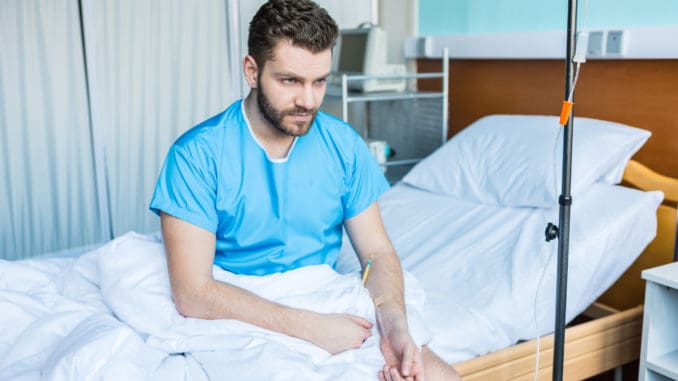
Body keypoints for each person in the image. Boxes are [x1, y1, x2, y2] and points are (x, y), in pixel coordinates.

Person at [150, 1, 460, 380]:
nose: (309, 101)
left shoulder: (343, 145)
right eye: (290, 81)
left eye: (319, 81)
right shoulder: (196, 155)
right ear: (252, 70)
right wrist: (310, 327)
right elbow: (193, 292)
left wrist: (394, 325)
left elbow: (376, 252)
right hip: (239, 306)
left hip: (321, 294)